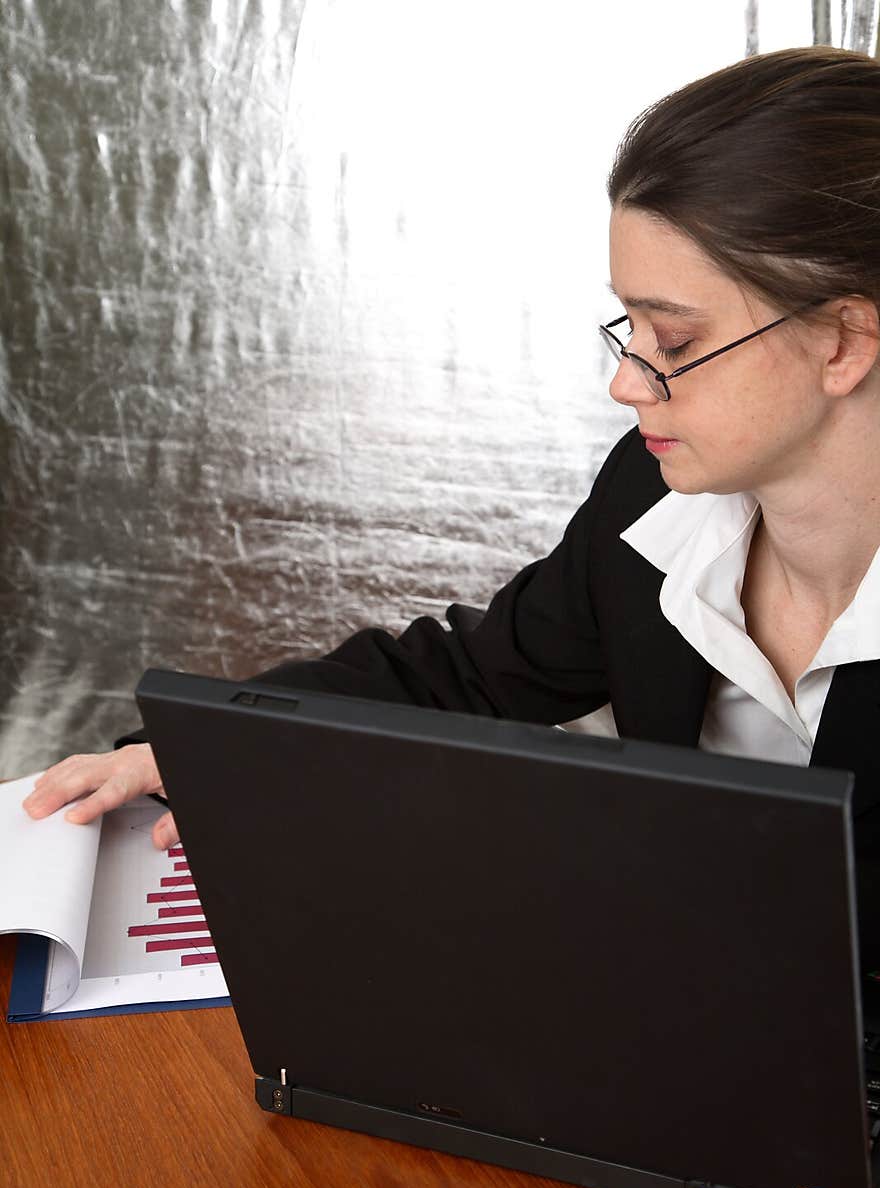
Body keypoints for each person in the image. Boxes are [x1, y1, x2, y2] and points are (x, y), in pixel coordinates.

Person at [22, 46, 880, 968]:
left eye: (672, 338)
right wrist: (214, 742)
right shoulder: (652, 501)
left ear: (842, 342)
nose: (626, 381)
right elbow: (470, 680)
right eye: (626, 327)